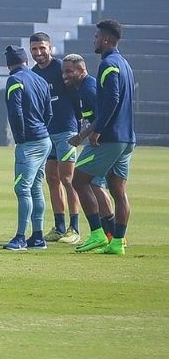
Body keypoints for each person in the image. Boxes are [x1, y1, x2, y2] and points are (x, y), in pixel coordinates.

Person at [72, 20, 135, 255]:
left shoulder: (108, 64)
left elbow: (112, 100)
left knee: (79, 180)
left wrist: (96, 130)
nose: (94, 40)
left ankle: (97, 234)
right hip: (127, 138)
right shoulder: (124, 64)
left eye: (97, 36)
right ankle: (117, 242)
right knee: (118, 192)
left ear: (106, 39)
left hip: (110, 137)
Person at [29, 33, 81, 244]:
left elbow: (77, 94)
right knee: (52, 179)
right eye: (34, 49)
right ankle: (59, 227)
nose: (39, 53)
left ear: (50, 48)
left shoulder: (62, 68)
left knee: (68, 179)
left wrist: (81, 124)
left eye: (42, 48)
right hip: (47, 134)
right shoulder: (32, 74)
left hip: (66, 131)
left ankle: (74, 229)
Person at [3, 45, 53, 251]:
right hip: (44, 139)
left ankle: (21, 237)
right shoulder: (40, 79)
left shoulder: (15, 80)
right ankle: (38, 236)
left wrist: (20, 138)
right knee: (35, 188)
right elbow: (49, 112)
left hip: (29, 142)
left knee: (22, 188)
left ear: (8, 63)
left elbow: (15, 113)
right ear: (25, 61)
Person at [61, 54, 117, 238]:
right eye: (63, 72)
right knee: (95, 184)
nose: (65, 75)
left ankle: (102, 234)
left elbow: (101, 117)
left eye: (69, 71)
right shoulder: (82, 88)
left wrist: (81, 136)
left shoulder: (89, 89)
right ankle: (112, 235)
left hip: (102, 143)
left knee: (89, 182)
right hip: (103, 142)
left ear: (82, 70)